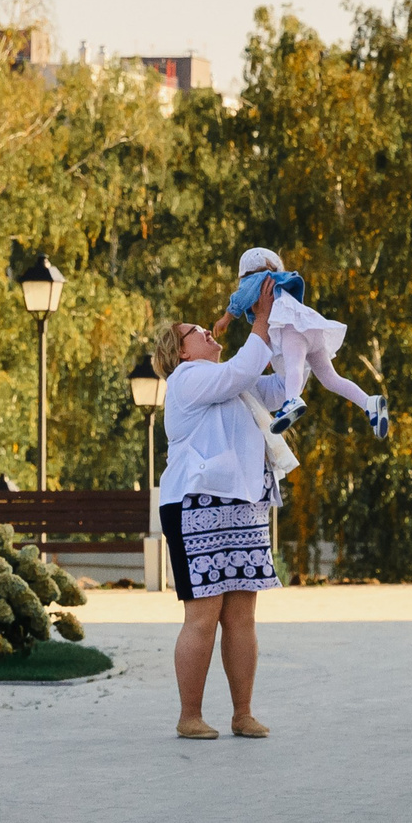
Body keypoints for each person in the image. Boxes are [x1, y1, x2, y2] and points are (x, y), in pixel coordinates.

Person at [150, 275, 288, 740]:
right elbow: (242, 370)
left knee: (241, 618)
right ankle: (190, 715)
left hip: (242, 506)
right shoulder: (189, 379)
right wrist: (261, 320)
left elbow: (282, 386)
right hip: (195, 507)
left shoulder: (233, 385)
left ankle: (242, 713)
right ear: (181, 353)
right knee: (203, 616)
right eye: (195, 332)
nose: (208, 332)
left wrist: (287, 329)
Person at [222, 246, 389, 439]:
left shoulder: (258, 281)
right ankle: (369, 403)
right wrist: (265, 352)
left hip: (292, 329)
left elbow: (240, 298)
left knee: (294, 366)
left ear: (246, 274)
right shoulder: (279, 282)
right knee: (330, 378)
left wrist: (225, 319)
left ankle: (292, 401)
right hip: (312, 330)